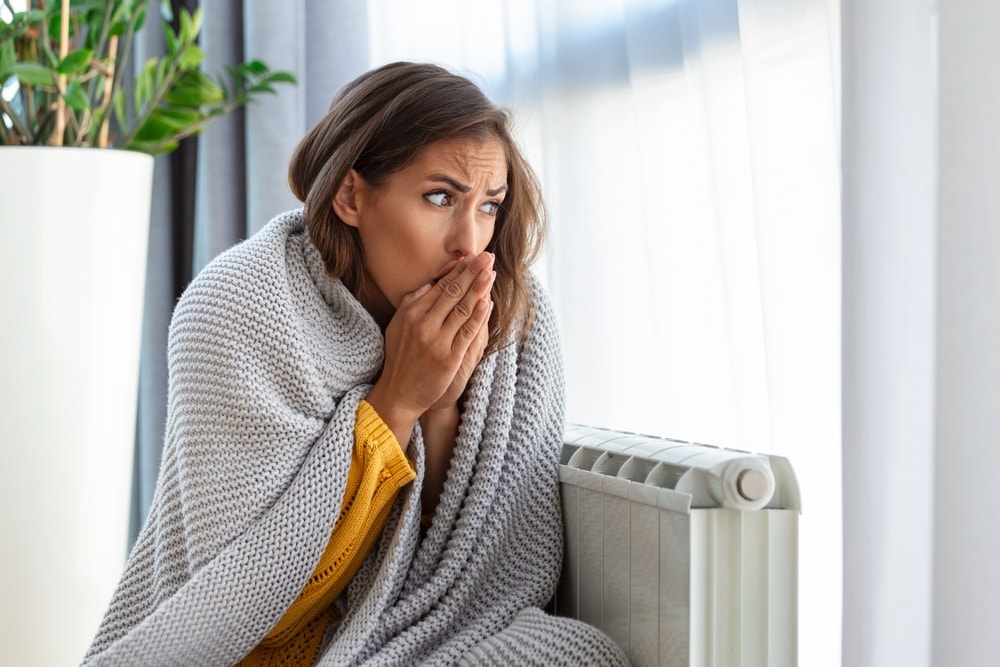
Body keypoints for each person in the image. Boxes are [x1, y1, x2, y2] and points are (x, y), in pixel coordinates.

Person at [82, 61, 629, 666]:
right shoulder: (239, 304)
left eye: (489, 206)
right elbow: (244, 607)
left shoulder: (513, 319)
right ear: (350, 194)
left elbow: (471, 581)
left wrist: (442, 406)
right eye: (440, 197)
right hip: (263, 650)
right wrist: (396, 400)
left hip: (412, 634)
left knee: (580, 652)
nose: (470, 244)